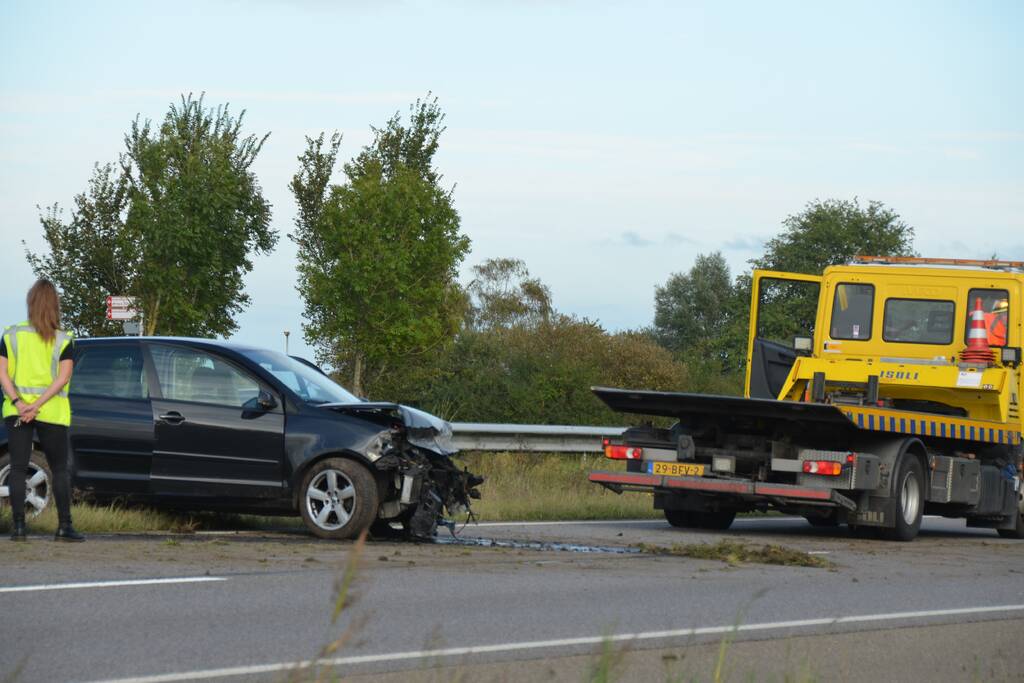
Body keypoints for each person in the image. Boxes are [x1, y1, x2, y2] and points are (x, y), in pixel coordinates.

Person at [0, 280, 83, 541]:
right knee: (59, 469)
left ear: (30, 304)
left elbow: (1, 373)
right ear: (54, 305)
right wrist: (38, 405)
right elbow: (64, 377)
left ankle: (19, 528)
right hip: (51, 412)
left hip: (18, 412)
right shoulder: (63, 339)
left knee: (17, 467)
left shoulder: (11, 335)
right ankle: (64, 527)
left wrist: (19, 403)